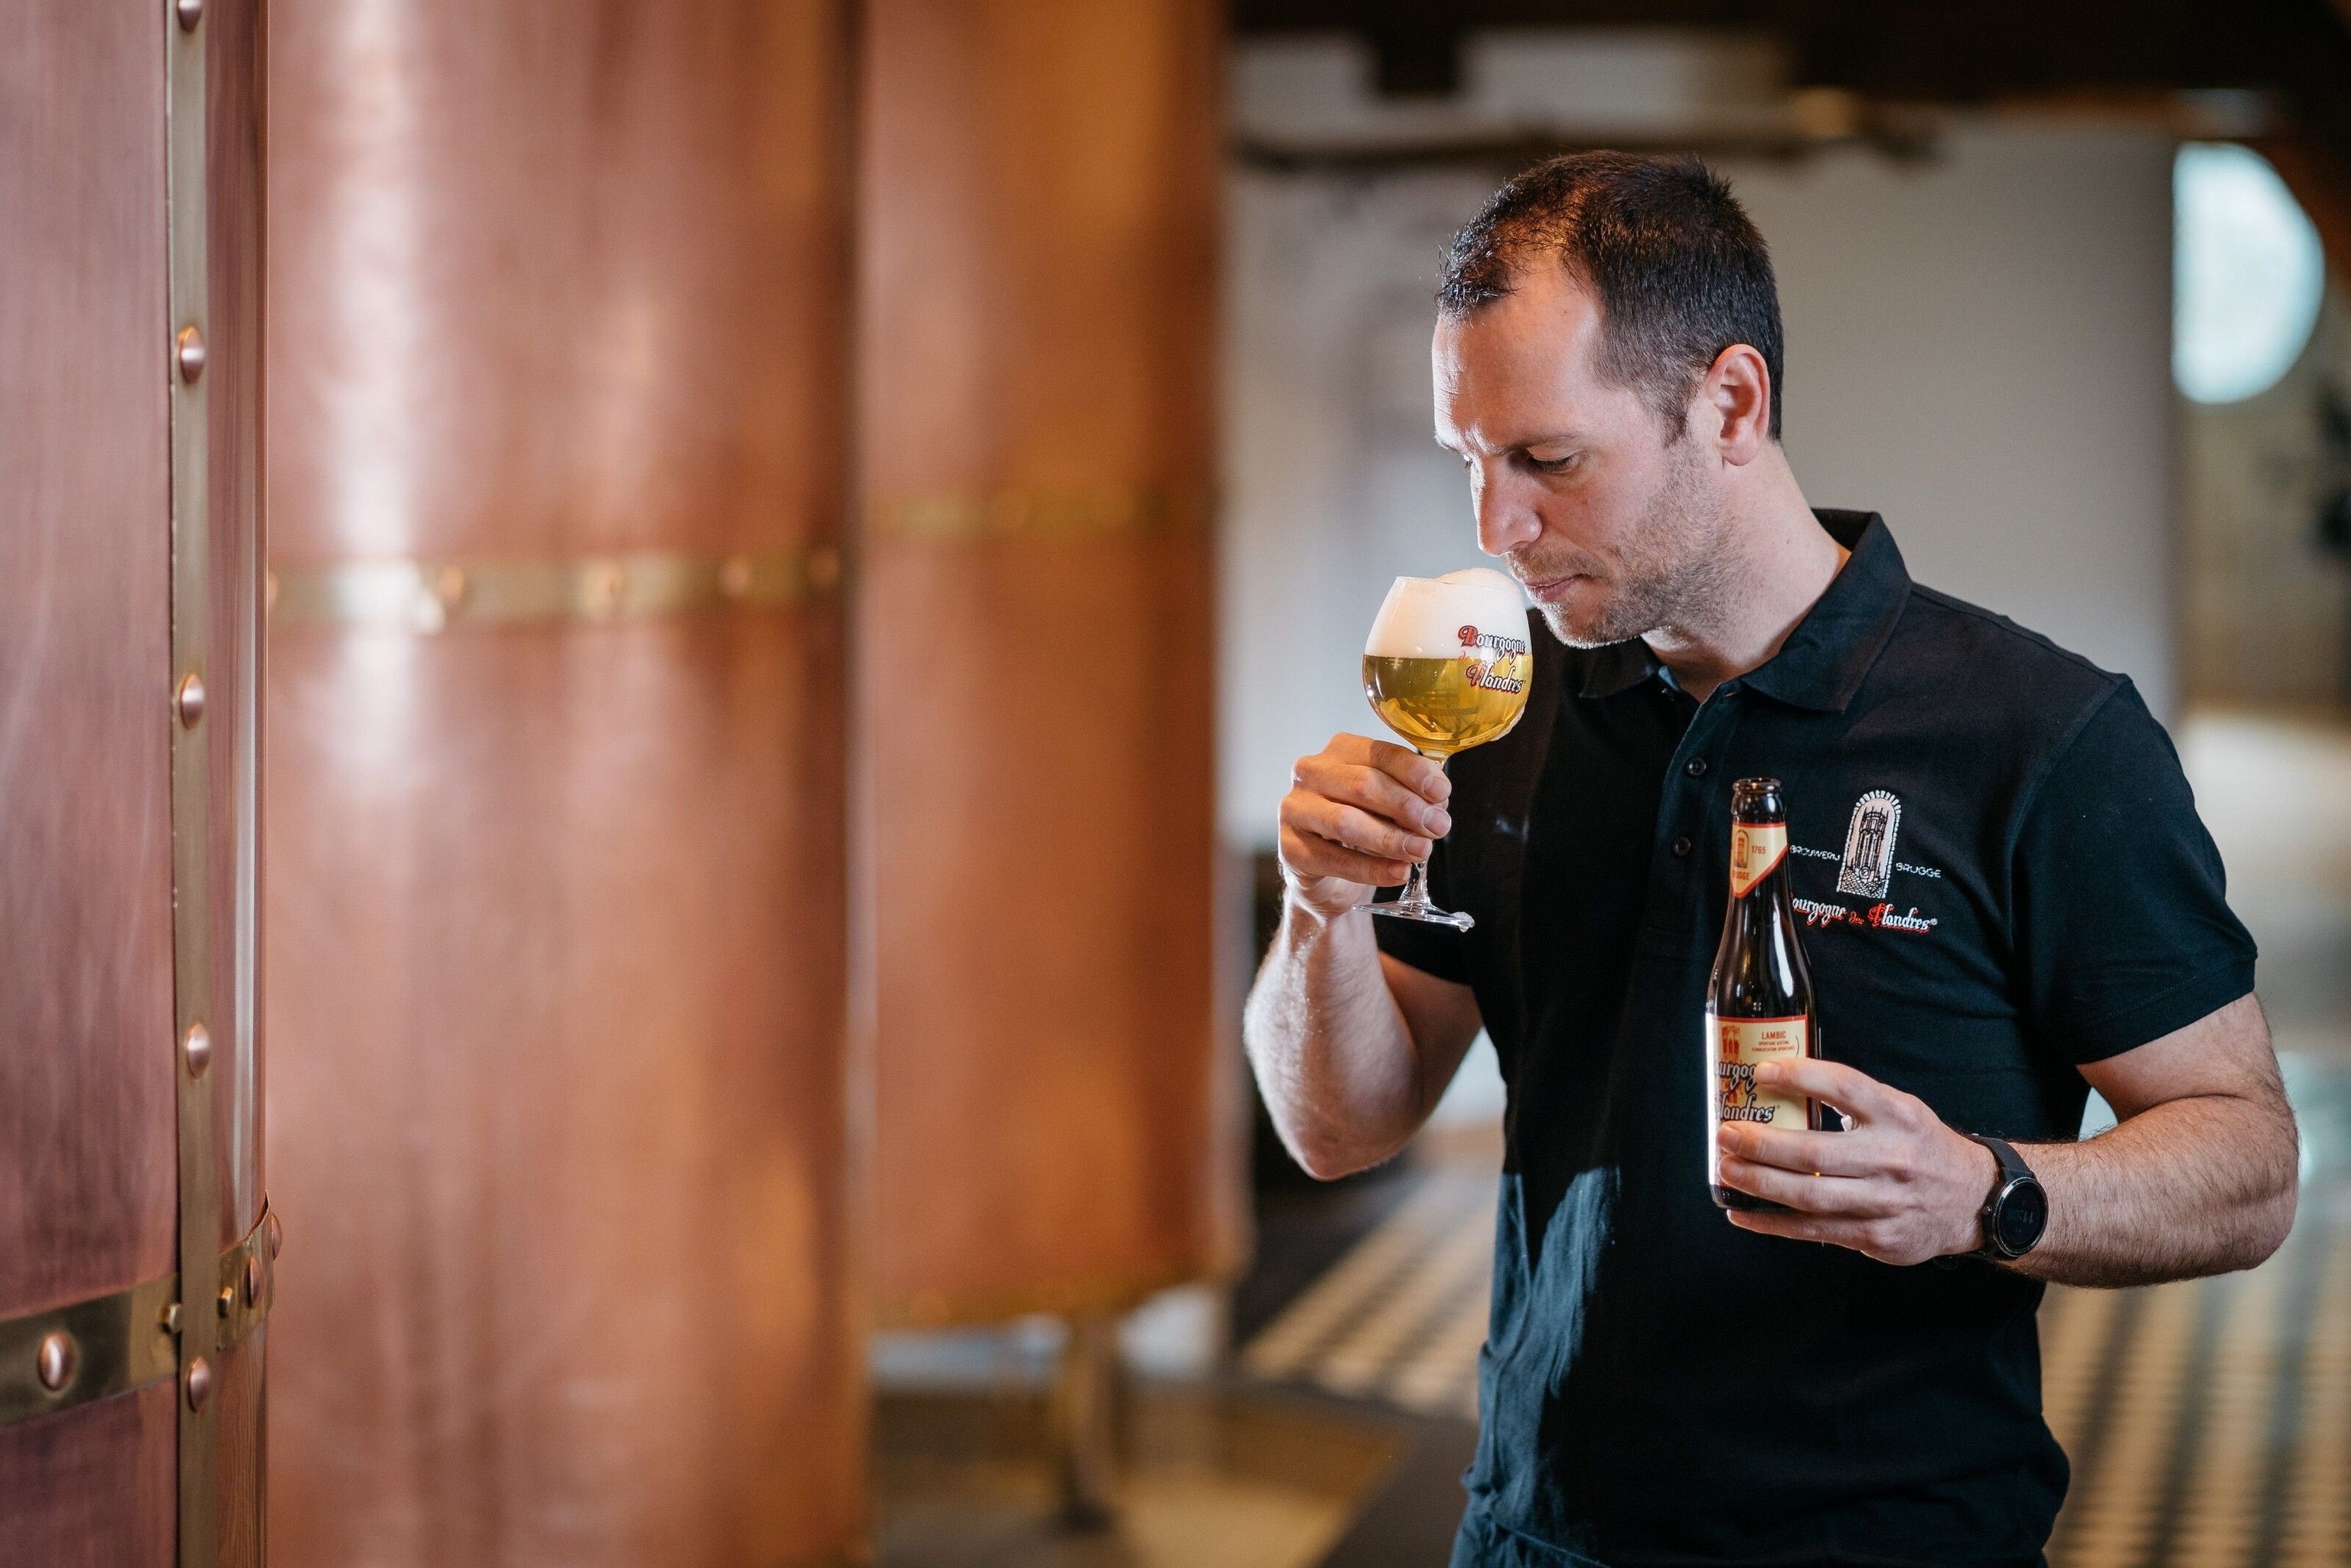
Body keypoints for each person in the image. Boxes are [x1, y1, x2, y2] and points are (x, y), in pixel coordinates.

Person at [1243, 152, 2300, 1568]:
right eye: (1471, 461)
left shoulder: (2040, 736)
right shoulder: (1504, 708)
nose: (1494, 528)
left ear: (1729, 404)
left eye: (1547, 460)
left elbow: (2249, 1162)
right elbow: (1338, 1127)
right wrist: (1317, 910)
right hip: (1535, 1538)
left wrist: (1986, 1192)